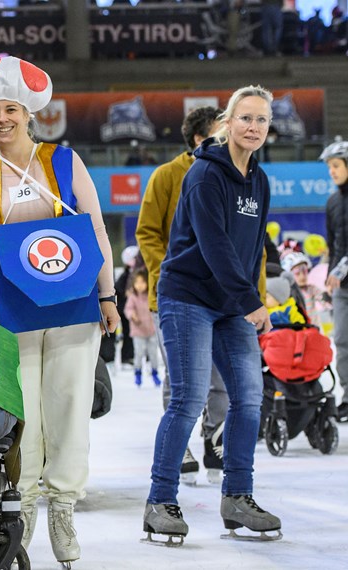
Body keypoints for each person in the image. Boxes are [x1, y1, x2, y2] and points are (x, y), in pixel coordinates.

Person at [0, 57, 119, 567]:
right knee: (21, 414)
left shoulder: (66, 162)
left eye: (11, 109)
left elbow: (94, 230)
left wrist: (109, 294)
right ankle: (22, 507)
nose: (2, 118)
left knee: (71, 403)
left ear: (28, 113)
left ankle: (64, 506)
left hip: (74, 306)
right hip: (12, 309)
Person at [143, 85, 281, 545]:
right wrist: (252, 302)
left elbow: (253, 248)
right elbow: (215, 245)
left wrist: (252, 298)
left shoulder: (259, 181)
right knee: (188, 397)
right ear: (227, 121)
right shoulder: (204, 175)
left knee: (248, 396)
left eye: (262, 120)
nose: (254, 127)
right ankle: (160, 501)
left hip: (231, 304)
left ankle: (237, 496)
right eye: (245, 118)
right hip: (188, 298)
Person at [135, 105, 230, 484]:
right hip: (175, 295)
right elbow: (147, 232)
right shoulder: (167, 175)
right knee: (180, 379)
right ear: (199, 138)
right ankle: (182, 446)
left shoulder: (234, 173)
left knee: (220, 378)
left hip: (221, 296)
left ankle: (216, 439)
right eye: (222, 130)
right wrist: (169, 271)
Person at [322, 139, 348, 421]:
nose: (332, 171)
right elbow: (334, 244)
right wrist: (332, 277)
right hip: (342, 288)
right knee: (341, 341)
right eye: (330, 167)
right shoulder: (332, 202)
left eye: (337, 165)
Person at [124, 268, 160, 387]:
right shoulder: (133, 297)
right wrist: (132, 315)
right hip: (138, 331)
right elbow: (128, 309)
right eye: (137, 282)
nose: (139, 285)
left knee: (153, 353)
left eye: (142, 282)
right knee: (138, 353)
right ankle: (138, 373)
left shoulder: (151, 296)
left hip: (151, 330)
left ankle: (155, 373)